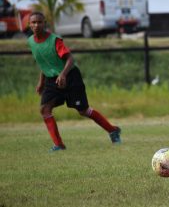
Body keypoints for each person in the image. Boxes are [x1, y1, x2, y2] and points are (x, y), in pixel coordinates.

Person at [27, 11, 121, 152]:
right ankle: (59, 145)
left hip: (70, 77)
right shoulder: (31, 42)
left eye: (39, 22)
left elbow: (70, 59)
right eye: (33, 22)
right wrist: (41, 82)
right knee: (45, 109)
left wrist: (63, 75)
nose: (36, 25)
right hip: (52, 81)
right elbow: (44, 63)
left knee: (83, 111)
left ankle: (113, 130)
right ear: (29, 25)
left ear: (44, 23)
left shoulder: (54, 40)